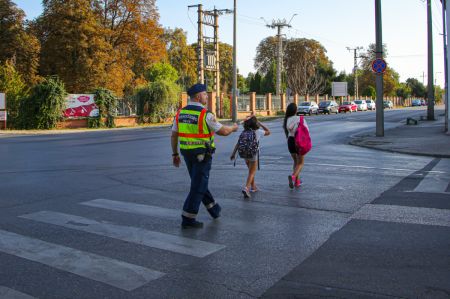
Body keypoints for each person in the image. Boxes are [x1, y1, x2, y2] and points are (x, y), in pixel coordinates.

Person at [171, 83, 238, 229]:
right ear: (197, 96)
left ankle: (214, 209)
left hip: (186, 153)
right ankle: (188, 217)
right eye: (204, 94)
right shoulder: (205, 114)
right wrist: (233, 128)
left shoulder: (180, 113)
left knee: (198, 183)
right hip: (202, 155)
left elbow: (174, 134)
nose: (207, 96)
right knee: (198, 186)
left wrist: (175, 153)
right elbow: (223, 132)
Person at [230, 114, 270, 198]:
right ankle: (246, 188)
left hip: (244, 154)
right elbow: (268, 132)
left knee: (250, 172)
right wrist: (261, 124)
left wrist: (233, 154)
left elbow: (238, 143)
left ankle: (253, 187)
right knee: (252, 172)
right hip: (253, 154)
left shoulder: (244, 132)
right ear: (255, 123)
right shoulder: (258, 131)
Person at [283, 102, 309, 189]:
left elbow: (289, 130)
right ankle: (293, 177)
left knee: (295, 162)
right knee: (301, 163)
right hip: (299, 141)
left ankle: (297, 182)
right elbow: (306, 130)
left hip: (290, 141)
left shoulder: (287, 119)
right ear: (296, 110)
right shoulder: (300, 118)